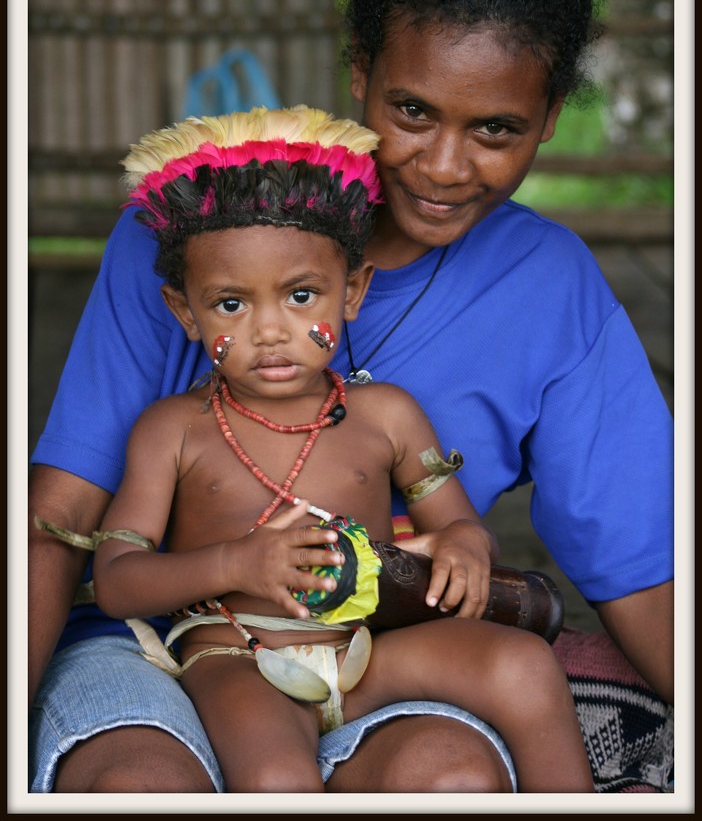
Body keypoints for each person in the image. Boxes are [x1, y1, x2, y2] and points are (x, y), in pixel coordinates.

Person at [29, 0, 673, 795]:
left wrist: (465, 551)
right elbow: (61, 518)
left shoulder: (549, 286)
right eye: (412, 111)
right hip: (172, 641)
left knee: (453, 778)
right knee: (143, 781)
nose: (446, 166)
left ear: (551, 119)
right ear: (359, 70)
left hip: (379, 652)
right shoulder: (193, 232)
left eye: (497, 129)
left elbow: (644, 567)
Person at [40, 106, 589, 793]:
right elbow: (119, 580)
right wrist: (239, 562)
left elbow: (456, 524)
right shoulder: (172, 429)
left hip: (370, 651)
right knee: (275, 780)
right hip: (240, 657)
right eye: (232, 305)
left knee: (526, 668)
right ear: (185, 312)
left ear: (352, 291)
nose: (271, 329)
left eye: (302, 296)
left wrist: (465, 548)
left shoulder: (386, 415)